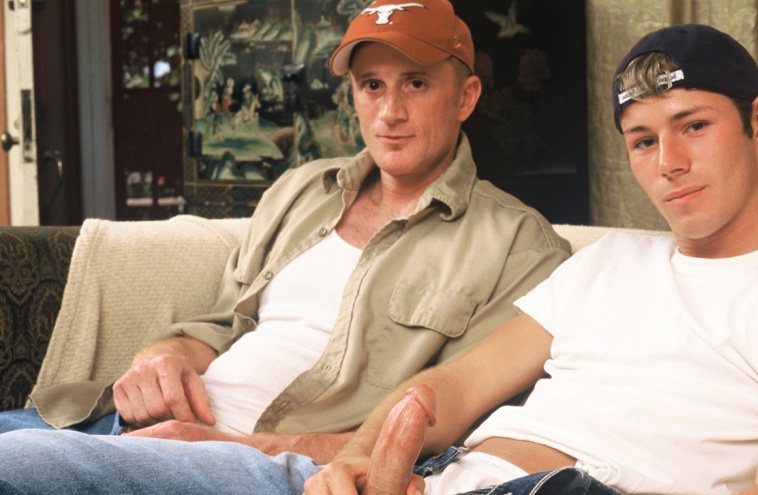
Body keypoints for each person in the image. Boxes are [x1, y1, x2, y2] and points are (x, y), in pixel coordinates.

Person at [293, 24, 758, 495]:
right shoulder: (610, 259)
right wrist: (357, 458)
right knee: (229, 478)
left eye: (693, 126)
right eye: (644, 141)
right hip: (433, 489)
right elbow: (456, 386)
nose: (669, 163)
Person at [0, 0, 568, 467]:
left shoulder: (517, 246)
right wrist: (162, 356)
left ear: (466, 97)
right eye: (372, 85)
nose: (389, 112)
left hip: (261, 467)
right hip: (129, 426)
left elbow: (457, 437)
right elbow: (223, 324)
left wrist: (242, 451)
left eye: (415, 83)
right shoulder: (302, 189)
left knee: (18, 470)